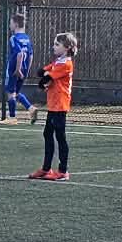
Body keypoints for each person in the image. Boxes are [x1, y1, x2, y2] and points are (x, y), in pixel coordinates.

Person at [29, 32, 78, 181]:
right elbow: (42, 72)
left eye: (57, 44)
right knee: (47, 134)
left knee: (60, 137)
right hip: (53, 104)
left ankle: (63, 171)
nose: (53, 47)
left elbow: (47, 77)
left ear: (67, 47)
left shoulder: (66, 64)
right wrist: (45, 75)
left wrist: (45, 78)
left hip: (60, 105)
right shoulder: (58, 61)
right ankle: (46, 168)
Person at [3, 12, 35, 123]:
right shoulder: (27, 38)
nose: (9, 25)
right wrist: (26, 71)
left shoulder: (14, 38)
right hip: (24, 69)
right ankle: (31, 108)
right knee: (16, 93)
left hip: (14, 70)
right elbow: (31, 55)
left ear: (16, 24)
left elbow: (19, 54)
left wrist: (17, 69)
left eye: (10, 23)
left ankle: (12, 118)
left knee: (10, 93)